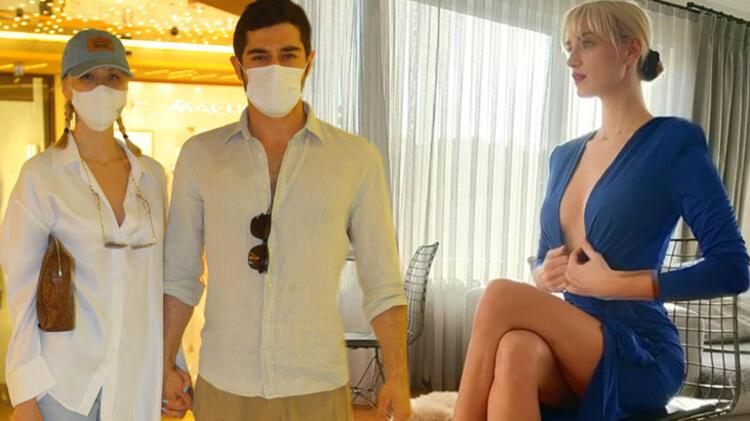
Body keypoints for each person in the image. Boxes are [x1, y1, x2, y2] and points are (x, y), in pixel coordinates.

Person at [453, 1, 749, 420]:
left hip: (640, 348)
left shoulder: (672, 142)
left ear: (631, 50)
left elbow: (733, 268)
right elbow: (544, 256)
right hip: (574, 335)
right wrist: (543, 273)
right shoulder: (563, 156)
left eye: (587, 44)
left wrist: (617, 284)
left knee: (500, 294)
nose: (571, 59)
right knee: (515, 349)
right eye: (568, 46)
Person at [160, 1, 411, 420]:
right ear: (238, 68)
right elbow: (179, 275)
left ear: (308, 62)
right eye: (260, 57)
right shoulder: (200, 156)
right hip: (225, 384)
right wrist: (166, 361)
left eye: (288, 55)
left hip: (317, 385)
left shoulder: (355, 158)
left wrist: (399, 375)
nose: (275, 67)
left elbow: (383, 279)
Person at [0, 29, 172, 421]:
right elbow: (21, 290)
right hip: (62, 386)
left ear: (126, 86)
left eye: (113, 77)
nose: (101, 88)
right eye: (87, 77)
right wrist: (24, 395)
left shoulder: (151, 177)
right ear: (66, 87)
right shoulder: (42, 176)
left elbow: (161, 282)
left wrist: (170, 364)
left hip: (134, 382)